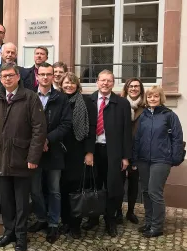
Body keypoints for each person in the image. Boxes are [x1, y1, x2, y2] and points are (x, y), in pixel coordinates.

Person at [0, 63, 47, 251]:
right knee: (6, 200)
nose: (7, 79)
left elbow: (39, 130)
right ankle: (9, 231)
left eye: (10, 76)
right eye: (4, 76)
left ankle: (21, 236)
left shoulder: (30, 97)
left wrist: (33, 156)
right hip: (1, 157)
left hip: (22, 157)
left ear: (18, 77)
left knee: (21, 201)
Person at [83, 70, 132, 237]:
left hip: (114, 152)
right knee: (94, 186)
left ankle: (110, 220)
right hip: (94, 151)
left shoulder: (122, 103)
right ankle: (93, 218)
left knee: (113, 187)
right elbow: (86, 129)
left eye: (109, 81)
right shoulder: (88, 100)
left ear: (113, 83)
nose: (105, 83)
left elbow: (127, 132)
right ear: (97, 82)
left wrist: (126, 157)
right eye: (102, 80)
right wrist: (88, 152)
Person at [28, 62, 72, 244]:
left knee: (54, 190)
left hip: (54, 152)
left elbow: (66, 124)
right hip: (34, 152)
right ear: (37, 76)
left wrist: (47, 139)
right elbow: (24, 123)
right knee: (35, 189)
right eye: (42, 74)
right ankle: (41, 218)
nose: (45, 77)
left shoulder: (61, 98)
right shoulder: (29, 96)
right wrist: (38, 142)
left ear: (54, 77)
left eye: (49, 74)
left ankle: (53, 223)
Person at [134, 86, 184, 238]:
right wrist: (135, 157)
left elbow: (177, 138)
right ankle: (149, 222)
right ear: (146, 99)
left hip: (161, 160)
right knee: (146, 192)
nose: (152, 99)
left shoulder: (169, 115)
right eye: (150, 97)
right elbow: (138, 138)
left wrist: (174, 158)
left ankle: (157, 226)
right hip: (143, 159)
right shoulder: (144, 116)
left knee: (155, 191)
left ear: (161, 98)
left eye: (155, 96)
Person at [58, 72, 96, 239]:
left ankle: (75, 225)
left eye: (72, 83)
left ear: (77, 85)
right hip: (59, 151)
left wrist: (89, 152)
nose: (69, 86)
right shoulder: (58, 100)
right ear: (61, 84)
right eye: (66, 83)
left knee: (76, 189)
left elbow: (91, 128)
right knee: (61, 189)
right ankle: (65, 221)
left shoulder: (86, 101)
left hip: (78, 151)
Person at [117, 78, 145, 225]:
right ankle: (118, 211)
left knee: (134, 183)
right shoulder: (120, 104)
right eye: (131, 86)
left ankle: (131, 211)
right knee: (119, 182)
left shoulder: (146, 107)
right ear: (126, 89)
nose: (134, 89)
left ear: (141, 89)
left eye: (137, 86)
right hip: (121, 147)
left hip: (138, 150)